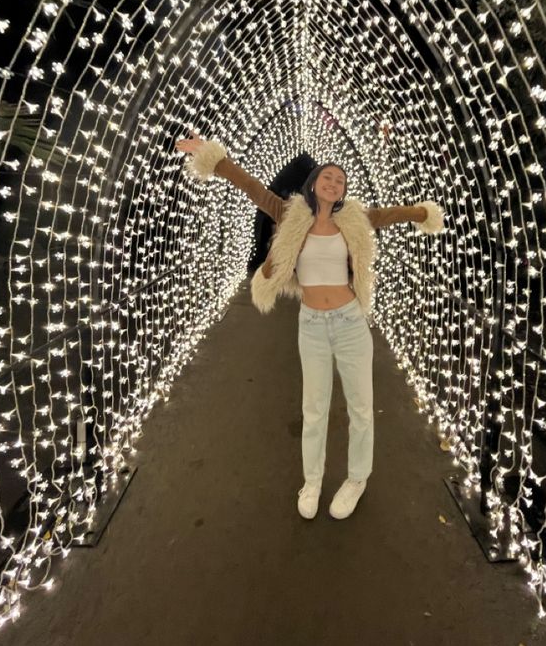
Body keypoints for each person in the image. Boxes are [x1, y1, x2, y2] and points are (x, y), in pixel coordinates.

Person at [175, 132, 444, 521]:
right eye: (328, 177)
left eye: (341, 180)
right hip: (313, 323)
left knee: (361, 408)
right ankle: (313, 481)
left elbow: (391, 214)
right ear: (314, 183)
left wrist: (424, 213)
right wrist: (212, 157)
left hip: (351, 322)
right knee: (314, 408)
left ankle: (356, 479)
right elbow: (249, 184)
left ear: (344, 190)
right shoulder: (289, 213)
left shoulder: (355, 219)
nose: (335, 183)